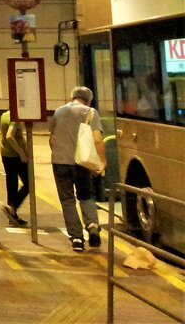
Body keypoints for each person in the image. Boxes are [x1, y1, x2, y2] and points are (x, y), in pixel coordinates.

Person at [48, 86, 106, 251]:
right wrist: (102, 162)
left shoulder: (58, 112)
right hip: (82, 163)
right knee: (86, 196)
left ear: (72, 97)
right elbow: (97, 140)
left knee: (67, 200)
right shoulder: (90, 112)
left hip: (60, 163)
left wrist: (60, 154)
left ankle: (77, 239)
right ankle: (92, 226)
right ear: (88, 100)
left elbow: (52, 140)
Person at [0, 109, 29, 226]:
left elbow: (18, 136)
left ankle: (12, 216)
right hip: (14, 155)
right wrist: (22, 153)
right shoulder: (15, 118)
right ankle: (12, 207)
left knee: (12, 183)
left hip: (5, 154)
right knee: (28, 184)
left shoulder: (4, 115)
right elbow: (9, 136)